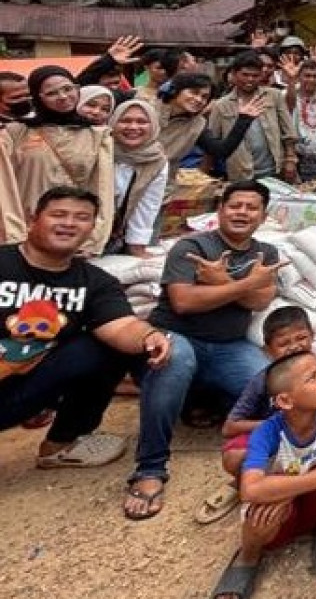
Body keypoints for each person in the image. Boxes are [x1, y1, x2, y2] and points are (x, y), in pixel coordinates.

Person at [127, 180, 284, 520]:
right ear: (221, 209)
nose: (242, 213)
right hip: (179, 336)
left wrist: (219, 282)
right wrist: (243, 285)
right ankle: (150, 469)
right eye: (235, 205)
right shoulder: (191, 246)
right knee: (175, 358)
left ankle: (226, 421)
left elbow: (260, 301)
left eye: (251, 207)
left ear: (263, 215)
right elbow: (184, 302)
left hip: (230, 346)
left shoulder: (266, 254)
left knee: (271, 384)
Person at [0, 186, 171, 467]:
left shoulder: (96, 282)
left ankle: (61, 443)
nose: (69, 223)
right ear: (33, 219)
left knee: (104, 347)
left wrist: (149, 336)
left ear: (92, 228)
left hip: (22, 390)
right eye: (58, 214)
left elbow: (121, 326)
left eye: (82, 217)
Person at [206, 351, 316, 599]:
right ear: (284, 400)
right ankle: (247, 557)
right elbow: (251, 489)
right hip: (284, 512)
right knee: (262, 510)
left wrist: (300, 483)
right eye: (312, 378)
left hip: (313, 500)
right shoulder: (267, 431)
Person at [197, 306, 316, 525]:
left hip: (314, 440)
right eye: (283, 343)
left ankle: (305, 487)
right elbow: (229, 427)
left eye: (301, 338)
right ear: (267, 350)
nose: (295, 347)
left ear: (313, 337)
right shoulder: (262, 381)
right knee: (234, 457)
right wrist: (277, 425)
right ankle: (248, 485)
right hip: (275, 444)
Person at [3, 66, 114, 256]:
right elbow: (4, 188)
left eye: (68, 89)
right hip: (27, 233)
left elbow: (103, 189)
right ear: (38, 97)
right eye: (51, 93)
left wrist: (92, 241)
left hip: (71, 234)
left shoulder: (97, 135)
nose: (62, 97)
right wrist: (14, 237)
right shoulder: (15, 133)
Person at [208, 51, 298, 182]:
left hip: (274, 170)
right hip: (241, 175)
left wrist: (290, 159)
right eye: (245, 75)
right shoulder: (221, 105)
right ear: (234, 74)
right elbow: (212, 144)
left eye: (255, 75)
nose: (250, 79)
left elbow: (288, 131)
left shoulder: (274, 96)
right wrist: (204, 174)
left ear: (261, 75)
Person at [157, 73, 263, 173]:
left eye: (204, 97)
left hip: (161, 183)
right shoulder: (149, 110)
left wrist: (244, 120)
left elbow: (220, 151)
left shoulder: (197, 124)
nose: (199, 99)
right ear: (175, 91)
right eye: (194, 92)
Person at [106, 100, 168, 256]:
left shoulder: (157, 160)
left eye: (142, 122)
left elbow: (148, 205)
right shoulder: (100, 149)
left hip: (115, 234)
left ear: (153, 125)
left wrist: (137, 245)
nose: (133, 127)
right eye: (125, 121)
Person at [279, 57, 316, 182]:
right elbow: (289, 103)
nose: (311, 79)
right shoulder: (287, 94)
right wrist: (291, 80)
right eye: (307, 75)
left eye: (315, 76)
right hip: (297, 159)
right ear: (299, 76)